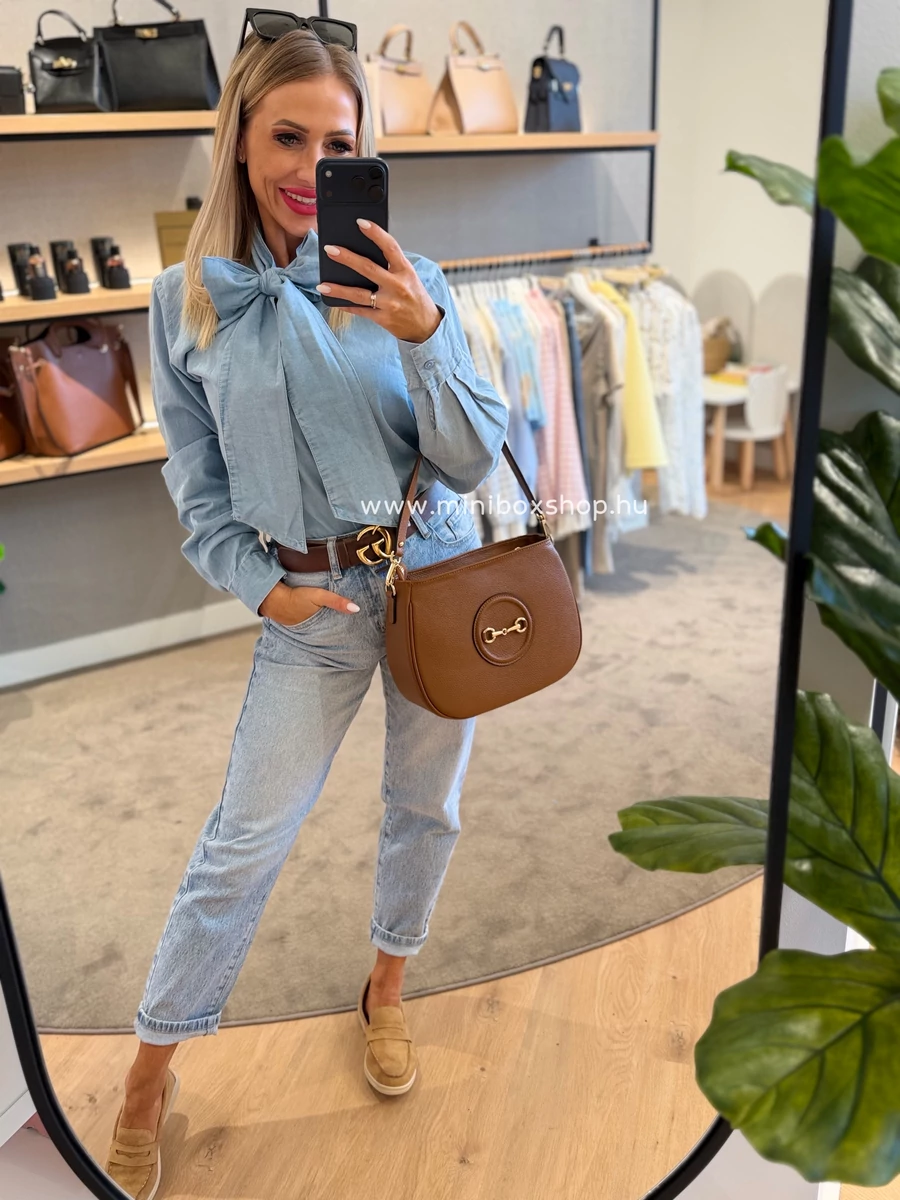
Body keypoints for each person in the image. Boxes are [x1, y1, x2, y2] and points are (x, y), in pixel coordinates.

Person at [104, 17, 508, 1200]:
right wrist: (262, 588)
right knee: (242, 844)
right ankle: (147, 1075)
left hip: (432, 577)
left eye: (338, 144)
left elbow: (476, 457)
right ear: (237, 136)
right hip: (310, 604)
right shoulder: (188, 304)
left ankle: (386, 986)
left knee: (425, 807)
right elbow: (198, 491)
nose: (308, 168)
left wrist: (422, 337)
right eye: (288, 137)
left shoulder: (410, 281)